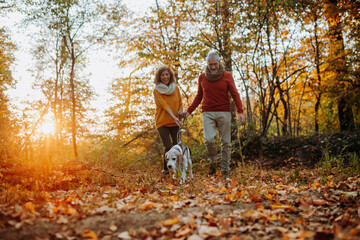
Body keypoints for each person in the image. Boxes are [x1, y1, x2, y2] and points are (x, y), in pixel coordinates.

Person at [182, 51, 245, 179]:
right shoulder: (202, 77)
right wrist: (188, 111)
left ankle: (225, 170)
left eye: (215, 64)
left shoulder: (227, 76)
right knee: (209, 139)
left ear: (219, 62)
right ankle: (213, 160)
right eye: (210, 65)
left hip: (224, 112)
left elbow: (235, 94)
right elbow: (199, 96)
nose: (213, 67)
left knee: (226, 143)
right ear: (207, 64)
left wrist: (240, 112)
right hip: (207, 112)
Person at [153, 65, 183, 174]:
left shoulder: (176, 88)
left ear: (170, 76)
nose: (165, 77)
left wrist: (179, 113)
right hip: (162, 122)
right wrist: (174, 117)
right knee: (169, 146)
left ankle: (177, 170)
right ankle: (166, 170)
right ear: (159, 77)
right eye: (162, 75)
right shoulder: (157, 90)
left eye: (167, 74)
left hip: (175, 122)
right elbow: (164, 105)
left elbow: (180, 102)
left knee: (177, 147)